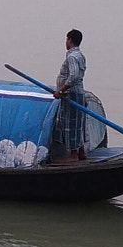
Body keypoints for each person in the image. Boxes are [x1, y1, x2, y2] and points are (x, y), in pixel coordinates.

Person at [51, 29, 88, 163]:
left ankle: (73, 154)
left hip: (71, 94)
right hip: (78, 92)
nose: (65, 42)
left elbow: (73, 76)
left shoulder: (72, 57)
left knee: (70, 123)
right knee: (79, 122)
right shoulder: (80, 55)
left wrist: (61, 90)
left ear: (70, 40)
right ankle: (81, 151)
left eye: (66, 39)